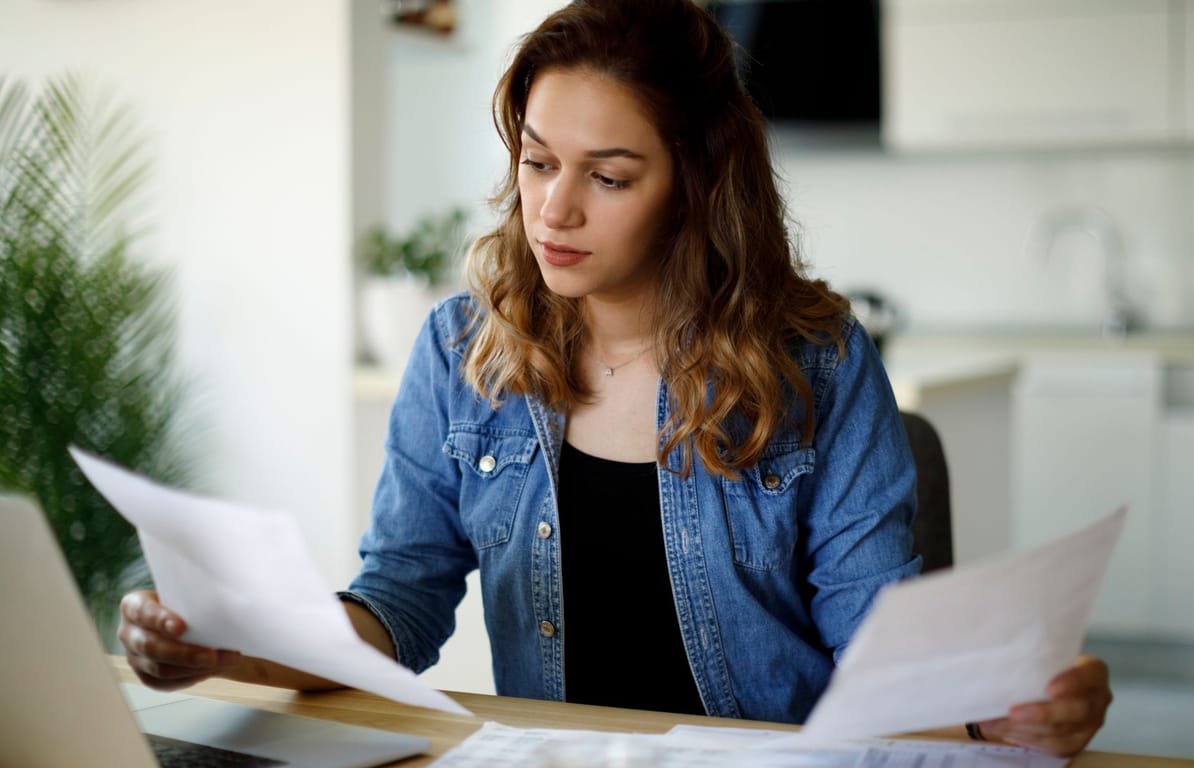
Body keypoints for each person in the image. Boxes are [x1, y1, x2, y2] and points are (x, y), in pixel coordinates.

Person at [118, 0, 1112, 756]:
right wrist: (235, 651)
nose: (553, 210)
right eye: (538, 162)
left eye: (608, 176)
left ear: (696, 186)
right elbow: (399, 604)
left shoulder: (818, 360)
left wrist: (1001, 714)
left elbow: (877, 640)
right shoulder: (461, 354)